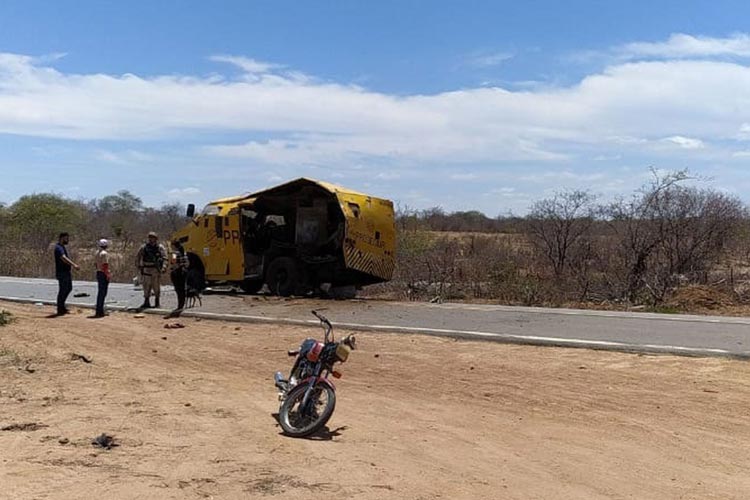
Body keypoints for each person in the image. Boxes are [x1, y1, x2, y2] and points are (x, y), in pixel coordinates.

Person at [135, 231, 168, 309]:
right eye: (150, 237)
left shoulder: (160, 247)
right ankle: (146, 302)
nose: (151, 239)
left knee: (156, 287)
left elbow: (165, 258)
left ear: (156, 239)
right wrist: (139, 266)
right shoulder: (144, 247)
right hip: (146, 269)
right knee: (146, 287)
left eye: (152, 237)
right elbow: (138, 257)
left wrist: (164, 267)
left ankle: (157, 302)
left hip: (155, 270)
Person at [54, 232, 80, 316]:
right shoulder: (58, 248)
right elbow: (63, 258)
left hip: (66, 272)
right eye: (66, 238)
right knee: (63, 290)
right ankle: (60, 308)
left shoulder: (62, 247)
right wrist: (74, 264)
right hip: (62, 272)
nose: (67, 240)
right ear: (62, 238)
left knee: (69, 288)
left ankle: (62, 306)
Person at [166, 239, 189, 318]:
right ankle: (181, 305)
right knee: (182, 289)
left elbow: (173, 262)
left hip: (177, 273)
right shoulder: (184, 253)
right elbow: (187, 263)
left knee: (178, 290)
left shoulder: (174, 253)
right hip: (184, 273)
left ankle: (179, 306)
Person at [93, 239, 111, 318]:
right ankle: (100, 311)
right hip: (103, 273)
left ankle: (99, 310)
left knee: (100, 292)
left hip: (98, 272)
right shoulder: (105, 254)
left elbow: (95, 264)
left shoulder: (97, 253)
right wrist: (107, 274)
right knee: (103, 292)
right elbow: (105, 265)